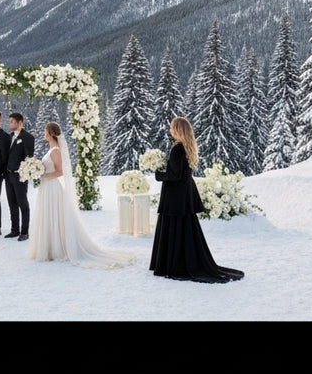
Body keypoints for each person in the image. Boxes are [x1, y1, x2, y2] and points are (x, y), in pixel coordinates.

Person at [149, 117, 244, 283]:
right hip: (184, 193)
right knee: (184, 230)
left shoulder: (177, 149)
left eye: (172, 127)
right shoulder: (186, 147)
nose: (170, 130)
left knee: (174, 228)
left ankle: (173, 264)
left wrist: (157, 174)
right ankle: (180, 261)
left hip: (176, 195)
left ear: (177, 129)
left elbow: (174, 175)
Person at [28, 122, 135, 269]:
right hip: (46, 188)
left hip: (52, 188)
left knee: (54, 215)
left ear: (51, 133)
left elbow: (61, 172)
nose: (43, 133)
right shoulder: (51, 149)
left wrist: (44, 174)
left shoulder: (55, 151)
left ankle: (57, 248)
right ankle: (50, 247)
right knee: (48, 215)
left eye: (45, 131)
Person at [3, 111, 34, 241]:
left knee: (22, 203)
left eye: (12, 121)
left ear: (20, 122)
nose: (9, 123)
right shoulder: (9, 136)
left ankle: (24, 232)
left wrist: (22, 171)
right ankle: (14, 230)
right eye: (9, 121)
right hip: (8, 176)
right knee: (11, 203)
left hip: (20, 176)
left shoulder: (28, 137)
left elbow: (29, 158)